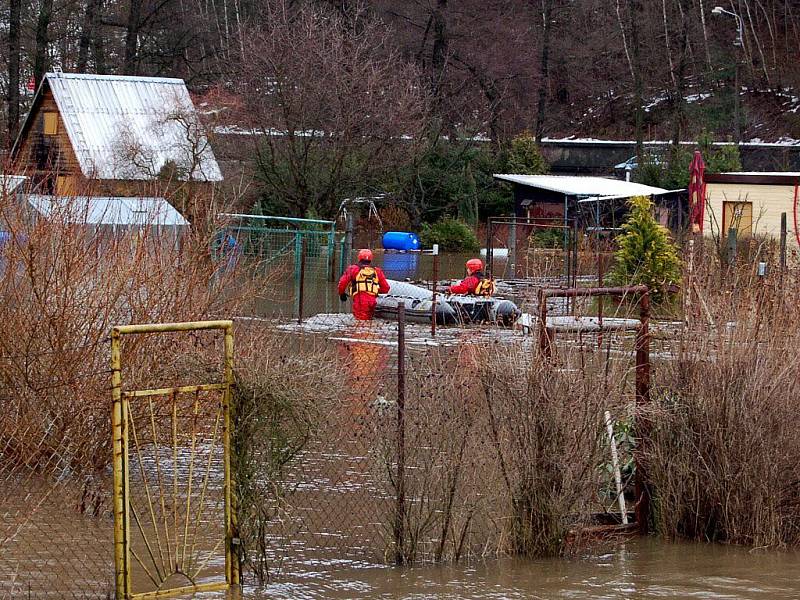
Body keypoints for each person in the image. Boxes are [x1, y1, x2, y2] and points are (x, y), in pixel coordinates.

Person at [338, 249, 390, 320]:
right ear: (371, 258)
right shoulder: (377, 271)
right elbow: (386, 288)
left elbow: (342, 283)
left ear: (359, 257)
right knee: (369, 321)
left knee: (361, 324)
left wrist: (342, 293)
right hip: (372, 301)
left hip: (360, 301)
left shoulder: (353, 269)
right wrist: (374, 290)